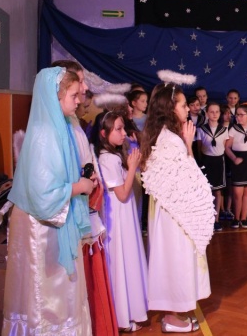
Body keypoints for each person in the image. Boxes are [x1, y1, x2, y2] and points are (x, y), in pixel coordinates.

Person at [3, 67, 94, 335]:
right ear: (56, 96)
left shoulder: (58, 127)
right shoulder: (45, 134)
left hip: (52, 225)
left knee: (63, 298)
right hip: (40, 230)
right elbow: (44, 196)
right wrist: (79, 186)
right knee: (44, 302)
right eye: (73, 95)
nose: (78, 101)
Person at [140, 83, 215, 333]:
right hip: (175, 215)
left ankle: (172, 313)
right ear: (170, 108)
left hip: (168, 212)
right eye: (183, 105)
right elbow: (190, 179)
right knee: (175, 259)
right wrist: (188, 144)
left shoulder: (162, 135)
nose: (187, 109)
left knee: (170, 259)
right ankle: (172, 317)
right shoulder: (171, 141)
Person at [51, 61, 118, 336]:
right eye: (79, 81)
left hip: (86, 209)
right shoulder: (58, 128)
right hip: (72, 217)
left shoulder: (74, 123)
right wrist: (83, 183)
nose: (85, 87)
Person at [97, 112, 149, 332]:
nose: (123, 133)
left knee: (126, 260)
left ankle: (127, 314)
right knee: (121, 261)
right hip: (118, 216)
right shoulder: (108, 158)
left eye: (123, 128)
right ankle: (122, 318)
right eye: (117, 129)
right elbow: (122, 193)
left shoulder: (113, 155)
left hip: (123, 214)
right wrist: (132, 165)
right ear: (104, 133)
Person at [225, 104, 247, 228]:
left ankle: (244, 218)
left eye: (241, 115)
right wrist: (234, 158)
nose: (238, 117)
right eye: (237, 115)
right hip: (238, 159)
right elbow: (227, 147)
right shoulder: (233, 129)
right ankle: (236, 217)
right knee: (237, 192)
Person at [197, 102, 229, 232]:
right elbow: (199, 148)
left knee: (218, 191)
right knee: (207, 190)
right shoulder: (201, 129)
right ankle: (206, 218)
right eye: (211, 112)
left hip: (219, 161)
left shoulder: (224, 130)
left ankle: (216, 219)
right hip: (206, 161)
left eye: (217, 112)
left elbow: (225, 146)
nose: (214, 114)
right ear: (207, 113)